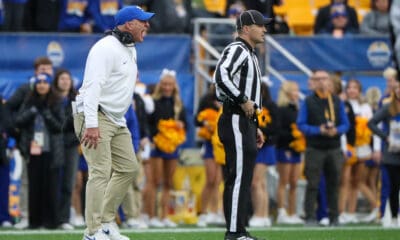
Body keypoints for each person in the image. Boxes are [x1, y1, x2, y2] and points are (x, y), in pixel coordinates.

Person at [73, 5, 154, 240]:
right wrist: (91, 124)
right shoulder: (105, 48)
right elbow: (91, 88)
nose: (147, 25)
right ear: (129, 24)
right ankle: (92, 231)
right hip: (94, 115)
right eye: (143, 21)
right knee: (99, 172)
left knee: (129, 167)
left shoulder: (129, 47)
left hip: (115, 118)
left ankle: (107, 222)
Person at [214, 9, 269, 240]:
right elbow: (221, 75)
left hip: (243, 121)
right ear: (246, 28)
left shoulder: (250, 53)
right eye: (260, 25)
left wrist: (255, 124)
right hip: (235, 117)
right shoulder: (237, 49)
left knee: (243, 177)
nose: (265, 29)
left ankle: (239, 230)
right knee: (238, 177)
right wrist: (243, 100)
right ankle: (235, 233)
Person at [297, 70, 349, 226]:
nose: (321, 82)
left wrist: (337, 131)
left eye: (324, 79)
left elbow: (346, 124)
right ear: (313, 82)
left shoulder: (337, 101)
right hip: (315, 148)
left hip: (334, 147)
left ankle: (334, 217)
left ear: (329, 81)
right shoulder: (308, 101)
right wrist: (318, 130)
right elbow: (301, 124)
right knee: (312, 184)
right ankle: (310, 217)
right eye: (317, 79)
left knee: (334, 183)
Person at [15, 73, 65, 229]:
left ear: (50, 85)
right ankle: (34, 221)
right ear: (35, 85)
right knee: (34, 186)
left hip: (51, 150)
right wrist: (32, 112)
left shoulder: (56, 102)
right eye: (39, 82)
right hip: (33, 150)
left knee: (51, 186)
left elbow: (61, 126)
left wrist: (47, 114)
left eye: (45, 82)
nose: (42, 85)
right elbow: (19, 121)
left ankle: (52, 222)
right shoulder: (29, 102)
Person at [146, 69, 187, 228]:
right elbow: (148, 123)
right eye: (164, 84)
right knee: (155, 181)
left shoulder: (178, 104)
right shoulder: (153, 101)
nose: (167, 87)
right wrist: (153, 137)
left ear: (174, 86)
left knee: (169, 182)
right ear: (160, 85)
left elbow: (185, 124)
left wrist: (181, 125)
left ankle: (164, 216)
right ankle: (151, 215)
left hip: (172, 147)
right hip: (157, 145)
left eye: (170, 84)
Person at [368, 81, 400, 227]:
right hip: (392, 152)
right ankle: (394, 217)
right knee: (394, 186)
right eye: (397, 88)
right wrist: (385, 137)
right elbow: (371, 123)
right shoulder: (389, 107)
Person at [52, 69, 80, 230]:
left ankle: (63, 219)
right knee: (52, 182)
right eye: (62, 79)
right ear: (57, 81)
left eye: (67, 79)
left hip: (70, 145)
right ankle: (51, 217)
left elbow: (79, 124)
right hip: (53, 145)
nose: (64, 81)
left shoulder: (76, 100)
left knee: (68, 183)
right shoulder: (50, 99)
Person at [249, 82, 278, 228]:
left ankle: (259, 215)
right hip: (254, 147)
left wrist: (262, 134)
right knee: (261, 183)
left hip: (265, 147)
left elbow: (274, 127)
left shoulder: (270, 106)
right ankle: (264, 215)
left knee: (255, 182)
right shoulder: (249, 105)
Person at [275, 81, 304, 225]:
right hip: (284, 148)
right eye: (294, 91)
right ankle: (281, 211)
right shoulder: (281, 109)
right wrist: (293, 135)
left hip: (297, 149)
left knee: (294, 182)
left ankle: (293, 212)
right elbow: (278, 131)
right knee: (284, 181)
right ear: (287, 92)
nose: (297, 93)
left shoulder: (297, 109)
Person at [195, 84, 223, 227]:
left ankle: (216, 211)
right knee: (211, 179)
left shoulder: (230, 99)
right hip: (210, 143)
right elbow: (196, 119)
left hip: (223, 143)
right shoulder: (206, 99)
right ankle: (202, 213)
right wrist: (206, 122)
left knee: (219, 181)